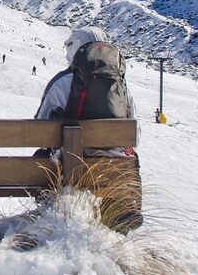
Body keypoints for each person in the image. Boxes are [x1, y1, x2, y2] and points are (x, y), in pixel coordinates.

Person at [33, 26, 142, 231]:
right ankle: (121, 206)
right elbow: (134, 133)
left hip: (68, 169)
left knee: (43, 154)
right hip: (114, 167)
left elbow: (39, 130)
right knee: (131, 158)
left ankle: (54, 210)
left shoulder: (63, 82)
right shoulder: (121, 85)